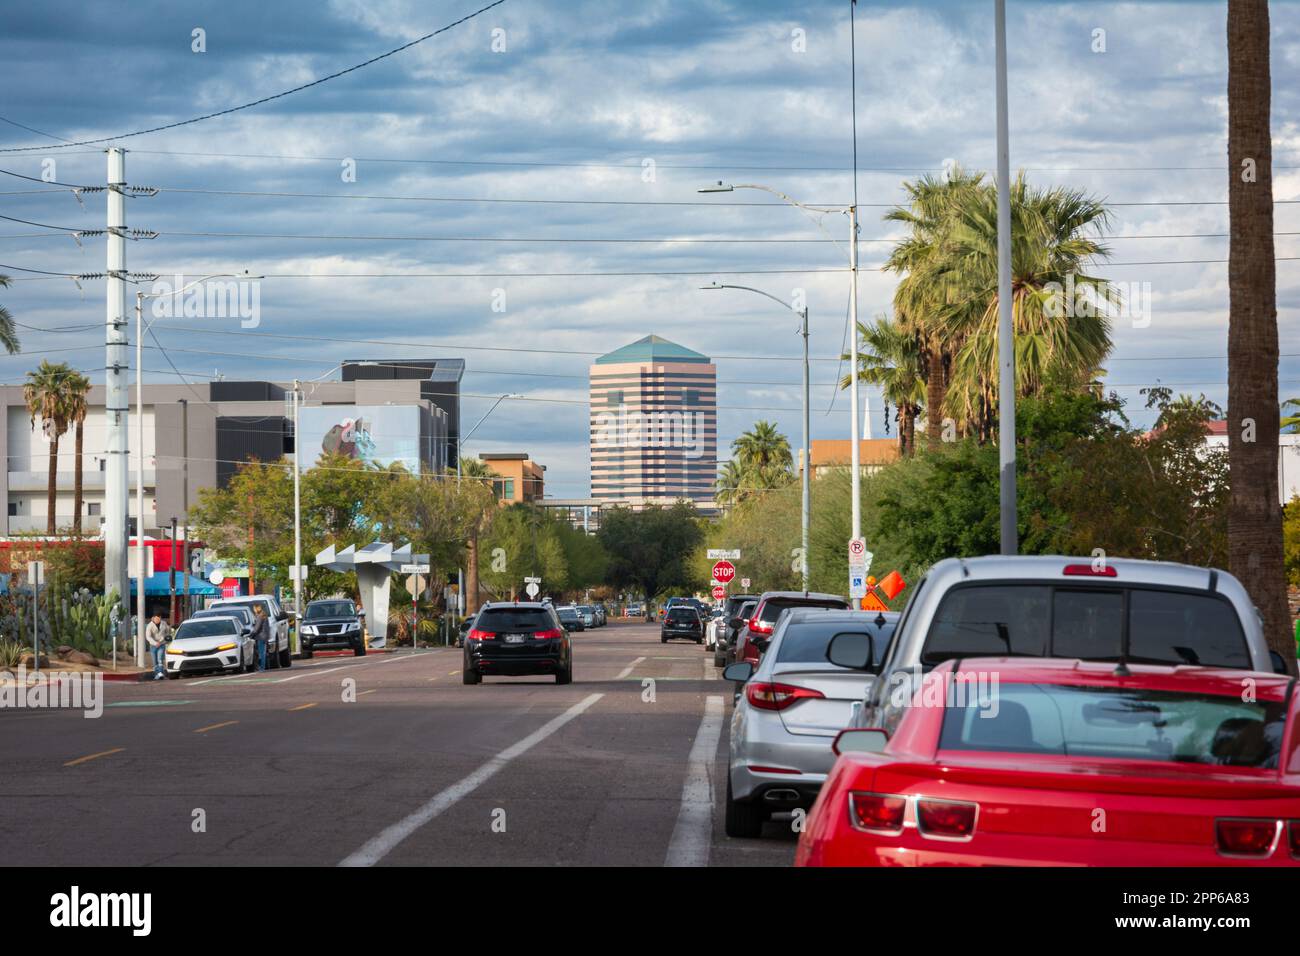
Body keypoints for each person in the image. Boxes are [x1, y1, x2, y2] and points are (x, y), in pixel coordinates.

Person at [145, 612, 171, 680]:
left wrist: (164, 640)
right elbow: (148, 637)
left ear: (160, 618)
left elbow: (167, 633)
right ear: (153, 618)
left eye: (158, 618)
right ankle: (156, 674)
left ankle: (161, 673)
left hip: (161, 644)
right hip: (153, 645)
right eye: (155, 618)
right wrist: (155, 643)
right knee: (154, 662)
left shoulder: (164, 624)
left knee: (160, 660)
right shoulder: (149, 626)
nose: (157, 619)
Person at [251, 604, 270, 671]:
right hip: (265, 636)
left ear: (256, 609)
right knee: (263, 652)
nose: (253, 610)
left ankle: (262, 667)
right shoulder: (264, 615)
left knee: (261, 653)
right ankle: (263, 666)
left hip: (261, 636)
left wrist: (252, 634)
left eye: (254, 609)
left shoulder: (260, 617)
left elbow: (257, 628)